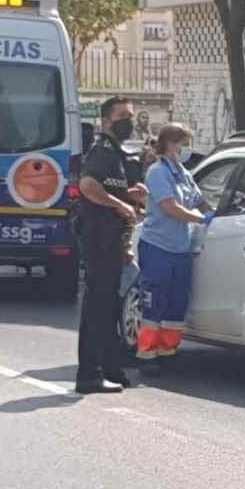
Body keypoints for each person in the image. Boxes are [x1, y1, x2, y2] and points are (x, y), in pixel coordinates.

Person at [75, 96, 147, 394]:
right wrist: (120, 205)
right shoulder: (103, 150)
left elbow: (110, 189)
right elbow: (88, 186)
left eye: (131, 115)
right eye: (122, 116)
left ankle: (108, 369)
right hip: (98, 239)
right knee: (97, 308)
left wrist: (133, 197)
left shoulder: (118, 154)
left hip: (111, 240)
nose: (128, 121)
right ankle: (89, 375)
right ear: (106, 122)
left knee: (107, 309)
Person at [136, 123, 213, 371]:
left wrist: (214, 214)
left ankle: (167, 350)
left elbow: (200, 201)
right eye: (185, 144)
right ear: (171, 144)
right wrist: (201, 219)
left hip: (181, 248)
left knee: (176, 302)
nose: (188, 149)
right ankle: (147, 355)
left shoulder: (182, 172)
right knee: (154, 302)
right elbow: (171, 208)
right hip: (158, 246)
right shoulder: (157, 173)